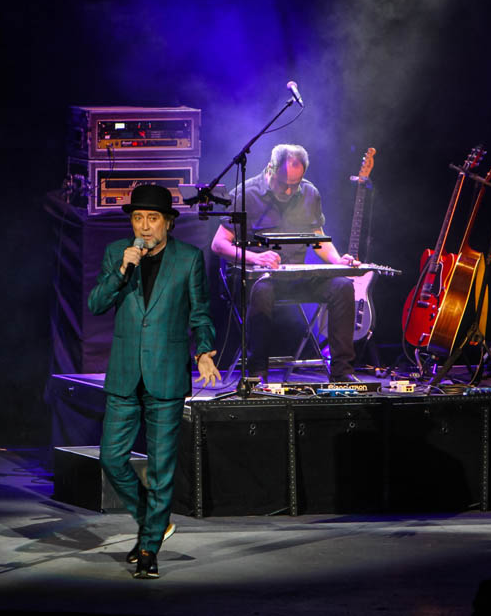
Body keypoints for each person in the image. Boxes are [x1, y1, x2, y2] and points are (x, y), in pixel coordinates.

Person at [88, 183, 220, 580]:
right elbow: (96, 304)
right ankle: (153, 521)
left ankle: (148, 549)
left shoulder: (189, 259)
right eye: (137, 219)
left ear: (168, 223)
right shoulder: (117, 254)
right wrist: (121, 270)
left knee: (161, 467)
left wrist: (204, 351)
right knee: (112, 458)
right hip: (125, 374)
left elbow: (200, 313)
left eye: (152, 219)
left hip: (166, 372)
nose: (144, 227)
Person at [210, 144, 359, 382]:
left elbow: (318, 238)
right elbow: (218, 244)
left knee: (342, 286)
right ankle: (257, 374)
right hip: (255, 279)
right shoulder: (245, 194)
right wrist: (255, 258)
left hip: (294, 276)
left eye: (295, 185)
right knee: (262, 289)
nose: (289, 192)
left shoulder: (309, 193)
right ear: (270, 168)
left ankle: (342, 372)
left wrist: (338, 260)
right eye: (283, 184)